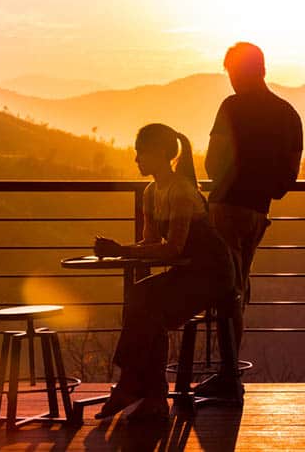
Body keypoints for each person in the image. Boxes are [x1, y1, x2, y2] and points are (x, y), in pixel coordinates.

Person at [93, 123, 238, 421]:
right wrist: (120, 249)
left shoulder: (181, 192)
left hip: (212, 274)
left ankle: (135, 387)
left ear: (159, 153)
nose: (136, 160)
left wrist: (123, 250)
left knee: (147, 304)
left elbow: (172, 249)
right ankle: (149, 393)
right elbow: (150, 243)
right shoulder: (150, 192)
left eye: (140, 153)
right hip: (189, 271)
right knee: (142, 298)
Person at [199, 42, 303, 397]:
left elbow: (212, 164)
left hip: (225, 207)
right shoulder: (288, 114)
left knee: (225, 291)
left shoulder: (231, 107)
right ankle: (229, 372)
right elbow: (287, 180)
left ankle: (229, 375)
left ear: (238, 72)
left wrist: (233, 172)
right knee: (237, 288)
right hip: (259, 213)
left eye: (231, 73)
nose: (230, 82)